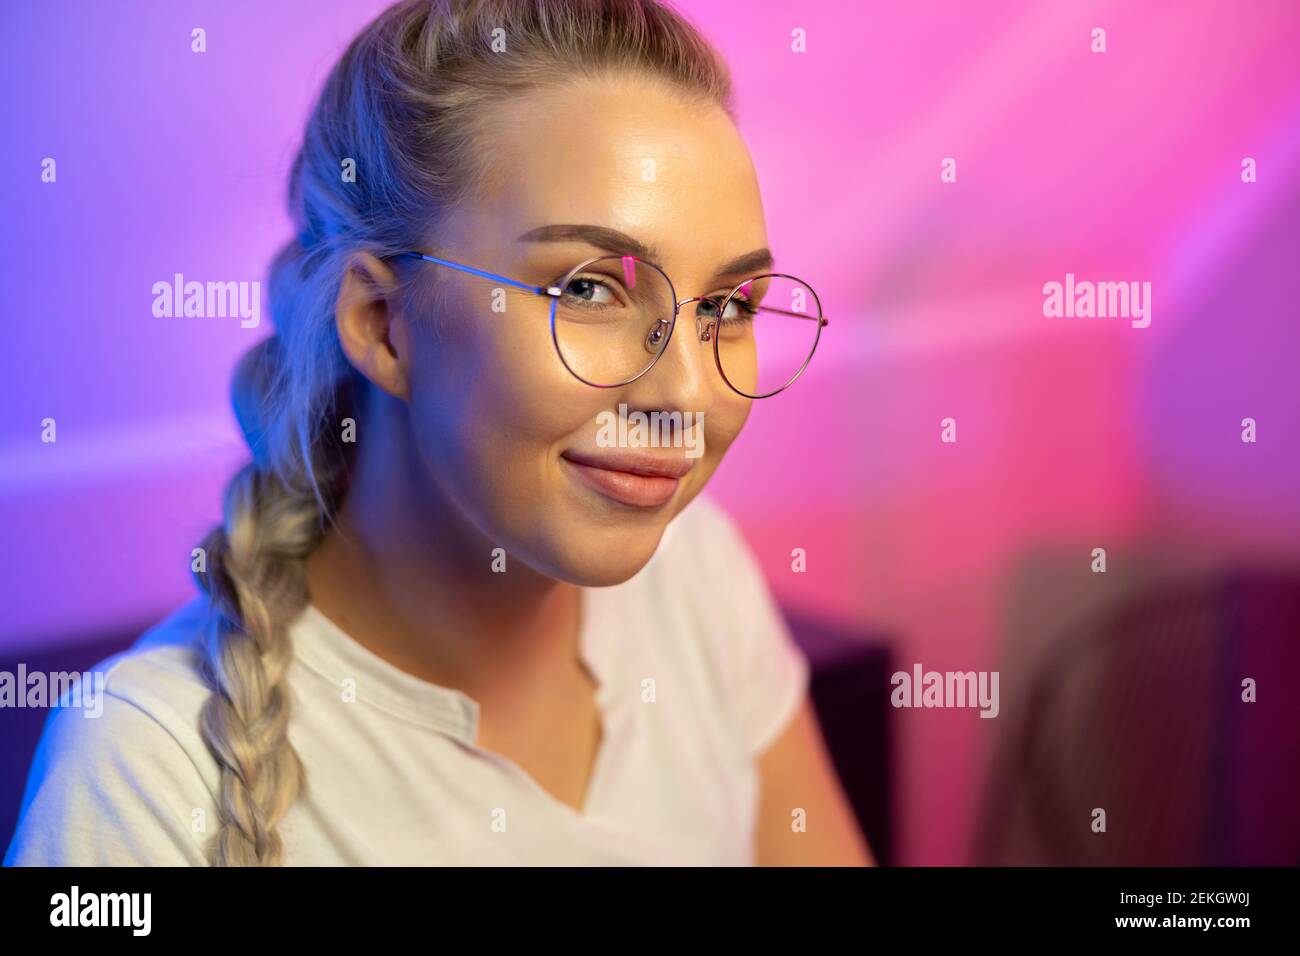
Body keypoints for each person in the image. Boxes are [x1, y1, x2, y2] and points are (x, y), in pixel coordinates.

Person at [5, 0, 872, 867]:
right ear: (382, 322)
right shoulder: (144, 777)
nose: (686, 391)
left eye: (726, 306)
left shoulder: (694, 577)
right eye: (588, 289)